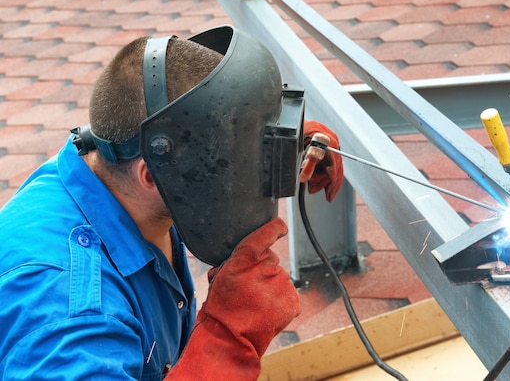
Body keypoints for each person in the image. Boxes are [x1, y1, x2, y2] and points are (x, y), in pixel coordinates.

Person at [0, 26, 343, 380]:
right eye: (233, 166)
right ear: (152, 174)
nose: (243, 173)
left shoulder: (101, 166)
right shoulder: (75, 321)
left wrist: (271, 144)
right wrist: (227, 337)